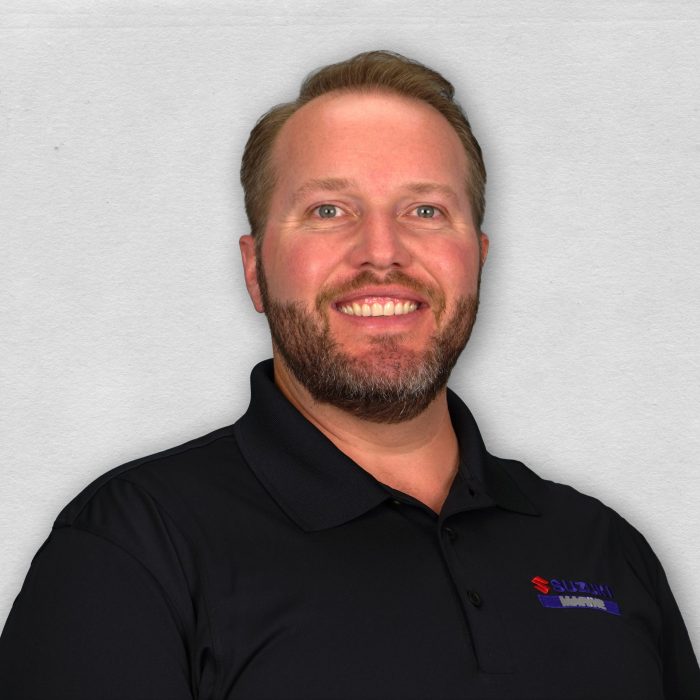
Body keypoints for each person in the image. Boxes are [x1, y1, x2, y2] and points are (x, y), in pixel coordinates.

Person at [0, 50, 698, 700]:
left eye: (426, 210)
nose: (382, 252)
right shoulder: (131, 546)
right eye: (328, 211)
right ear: (255, 270)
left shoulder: (604, 549)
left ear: (478, 258)